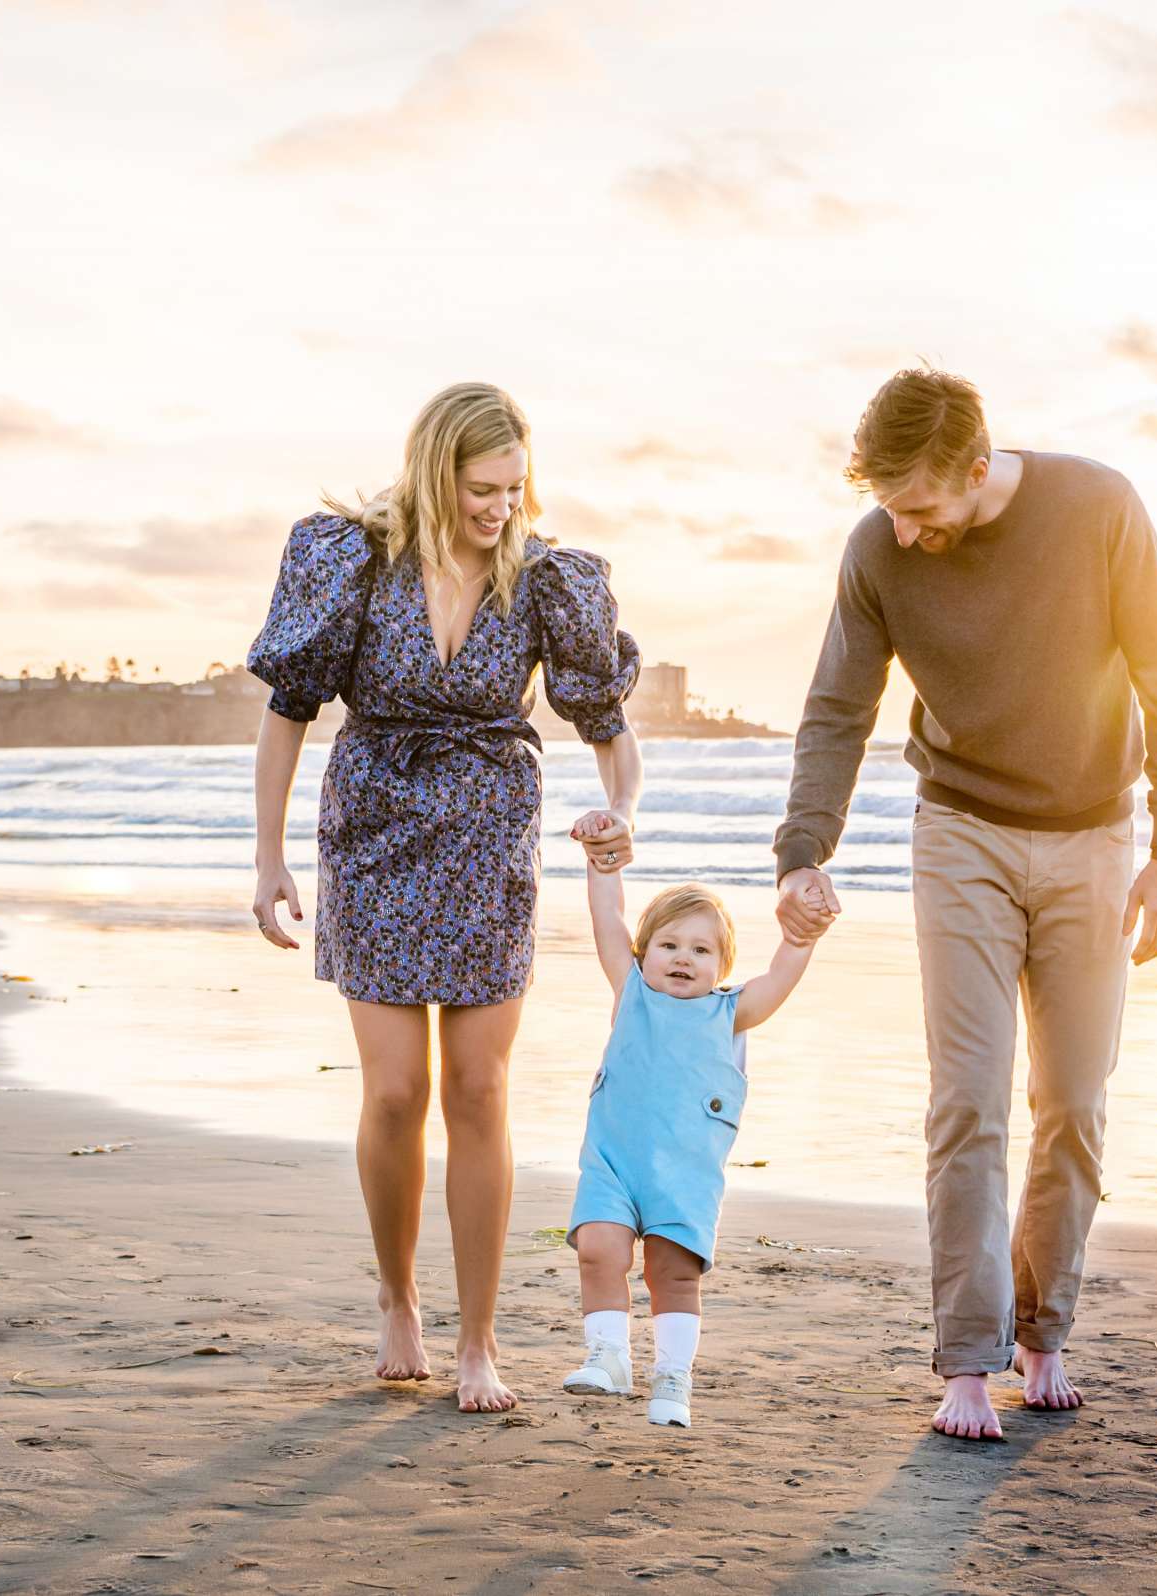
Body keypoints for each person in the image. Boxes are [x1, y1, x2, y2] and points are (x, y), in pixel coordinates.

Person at [773, 367, 1157, 1441]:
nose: (907, 530)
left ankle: (1041, 1333)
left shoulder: (1097, 506)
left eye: (922, 507)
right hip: (959, 831)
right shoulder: (878, 548)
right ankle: (966, 1361)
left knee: (1073, 1104)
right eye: (888, 506)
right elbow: (840, 706)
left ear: (976, 468)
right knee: (968, 1100)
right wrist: (801, 851)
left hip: (1096, 839)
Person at [247, 381, 642, 1414]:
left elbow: (606, 724)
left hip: (488, 837)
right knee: (392, 1091)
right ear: (434, 472)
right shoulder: (351, 564)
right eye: (481, 487)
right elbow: (288, 712)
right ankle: (396, 1299)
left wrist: (621, 810)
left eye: (514, 487)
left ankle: (478, 1340)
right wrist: (269, 857)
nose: (500, 507)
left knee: (478, 1087)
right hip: (375, 829)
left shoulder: (546, 578)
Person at [558, 841, 828, 1428]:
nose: (683, 959)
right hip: (613, 1163)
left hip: (685, 1175)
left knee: (672, 1272)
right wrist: (602, 869)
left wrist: (801, 937)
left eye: (701, 950)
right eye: (669, 945)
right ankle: (608, 1356)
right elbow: (607, 922)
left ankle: (672, 1377)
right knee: (599, 1250)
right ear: (644, 952)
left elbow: (780, 977)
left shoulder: (730, 1012)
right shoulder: (631, 992)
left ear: (722, 966)